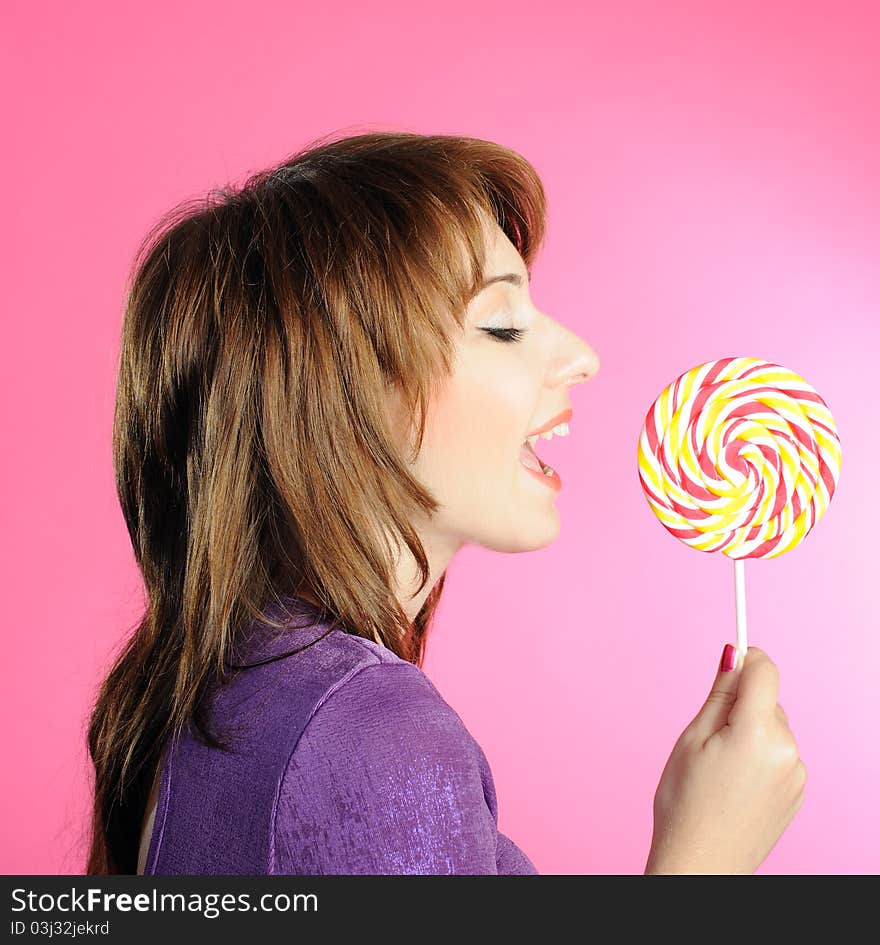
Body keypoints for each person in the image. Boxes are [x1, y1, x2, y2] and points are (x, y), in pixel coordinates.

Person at [86, 130, 806, 875]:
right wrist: (705, 862)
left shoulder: (225, 690)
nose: (581, 356)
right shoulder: (369, 736)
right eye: (501, 326)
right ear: (346, 399)